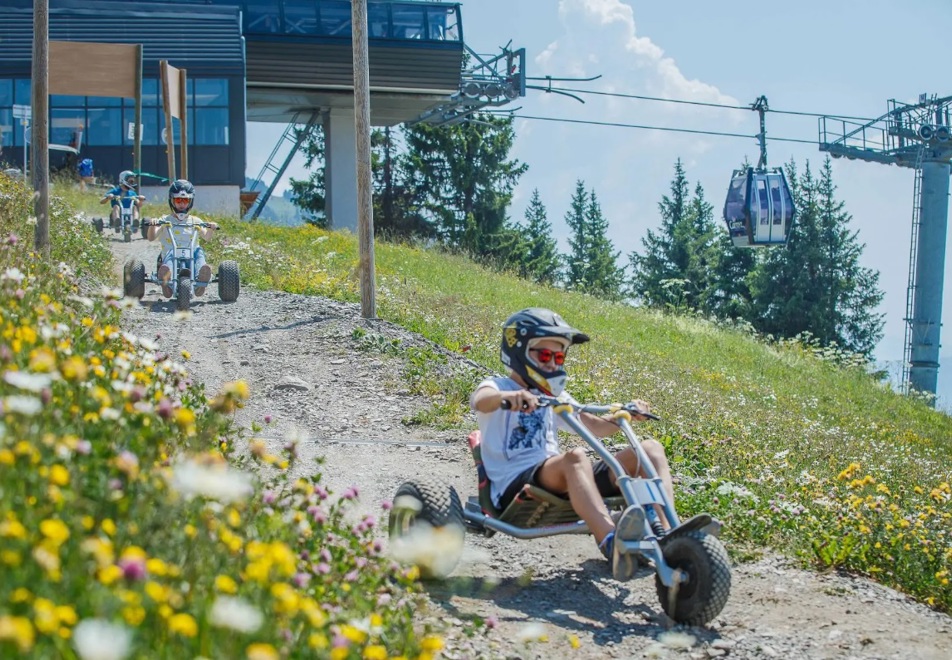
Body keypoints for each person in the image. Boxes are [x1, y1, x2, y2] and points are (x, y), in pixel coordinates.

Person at [470, 307, 675, 574]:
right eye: (545, 355)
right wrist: (509, 399)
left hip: (560, 477)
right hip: (516, 485)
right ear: (518, 351)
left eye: (558, 356)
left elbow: (594, 425)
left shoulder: (558, 397)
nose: (553, 363)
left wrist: (625, 413)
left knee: (649, 449)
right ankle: (611, 542)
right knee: (576, 457)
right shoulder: (499, 386)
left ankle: (671, 534)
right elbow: (481, 401)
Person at [145, 179, 219, 298]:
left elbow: (207, 238)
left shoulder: (195, 221)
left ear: (190, 202)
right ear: (172, 201)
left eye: (185, 200)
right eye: (178, 200)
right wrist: (153, 225)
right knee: (169, 257)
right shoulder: (165, 220)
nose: (182, 204)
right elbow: (151, 237)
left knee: (199, 252)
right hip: (171, 253)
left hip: (192, 255)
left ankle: (202, 277)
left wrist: (211, 228)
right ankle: (166, 280)